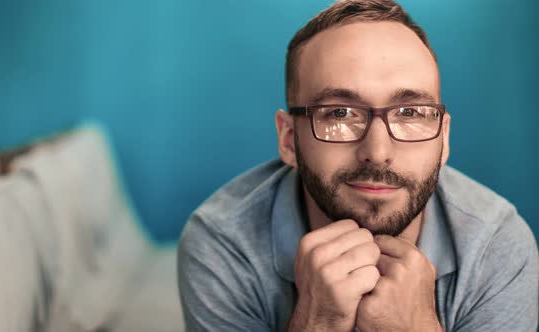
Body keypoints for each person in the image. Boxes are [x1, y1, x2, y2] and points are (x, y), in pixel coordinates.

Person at [177, 0, 539, 331]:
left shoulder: (498, 245)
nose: (378, 151)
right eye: (340, 113)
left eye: (410, 112)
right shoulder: (222, 242)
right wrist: (317, 321)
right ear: (289, 140)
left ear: (443, 140)